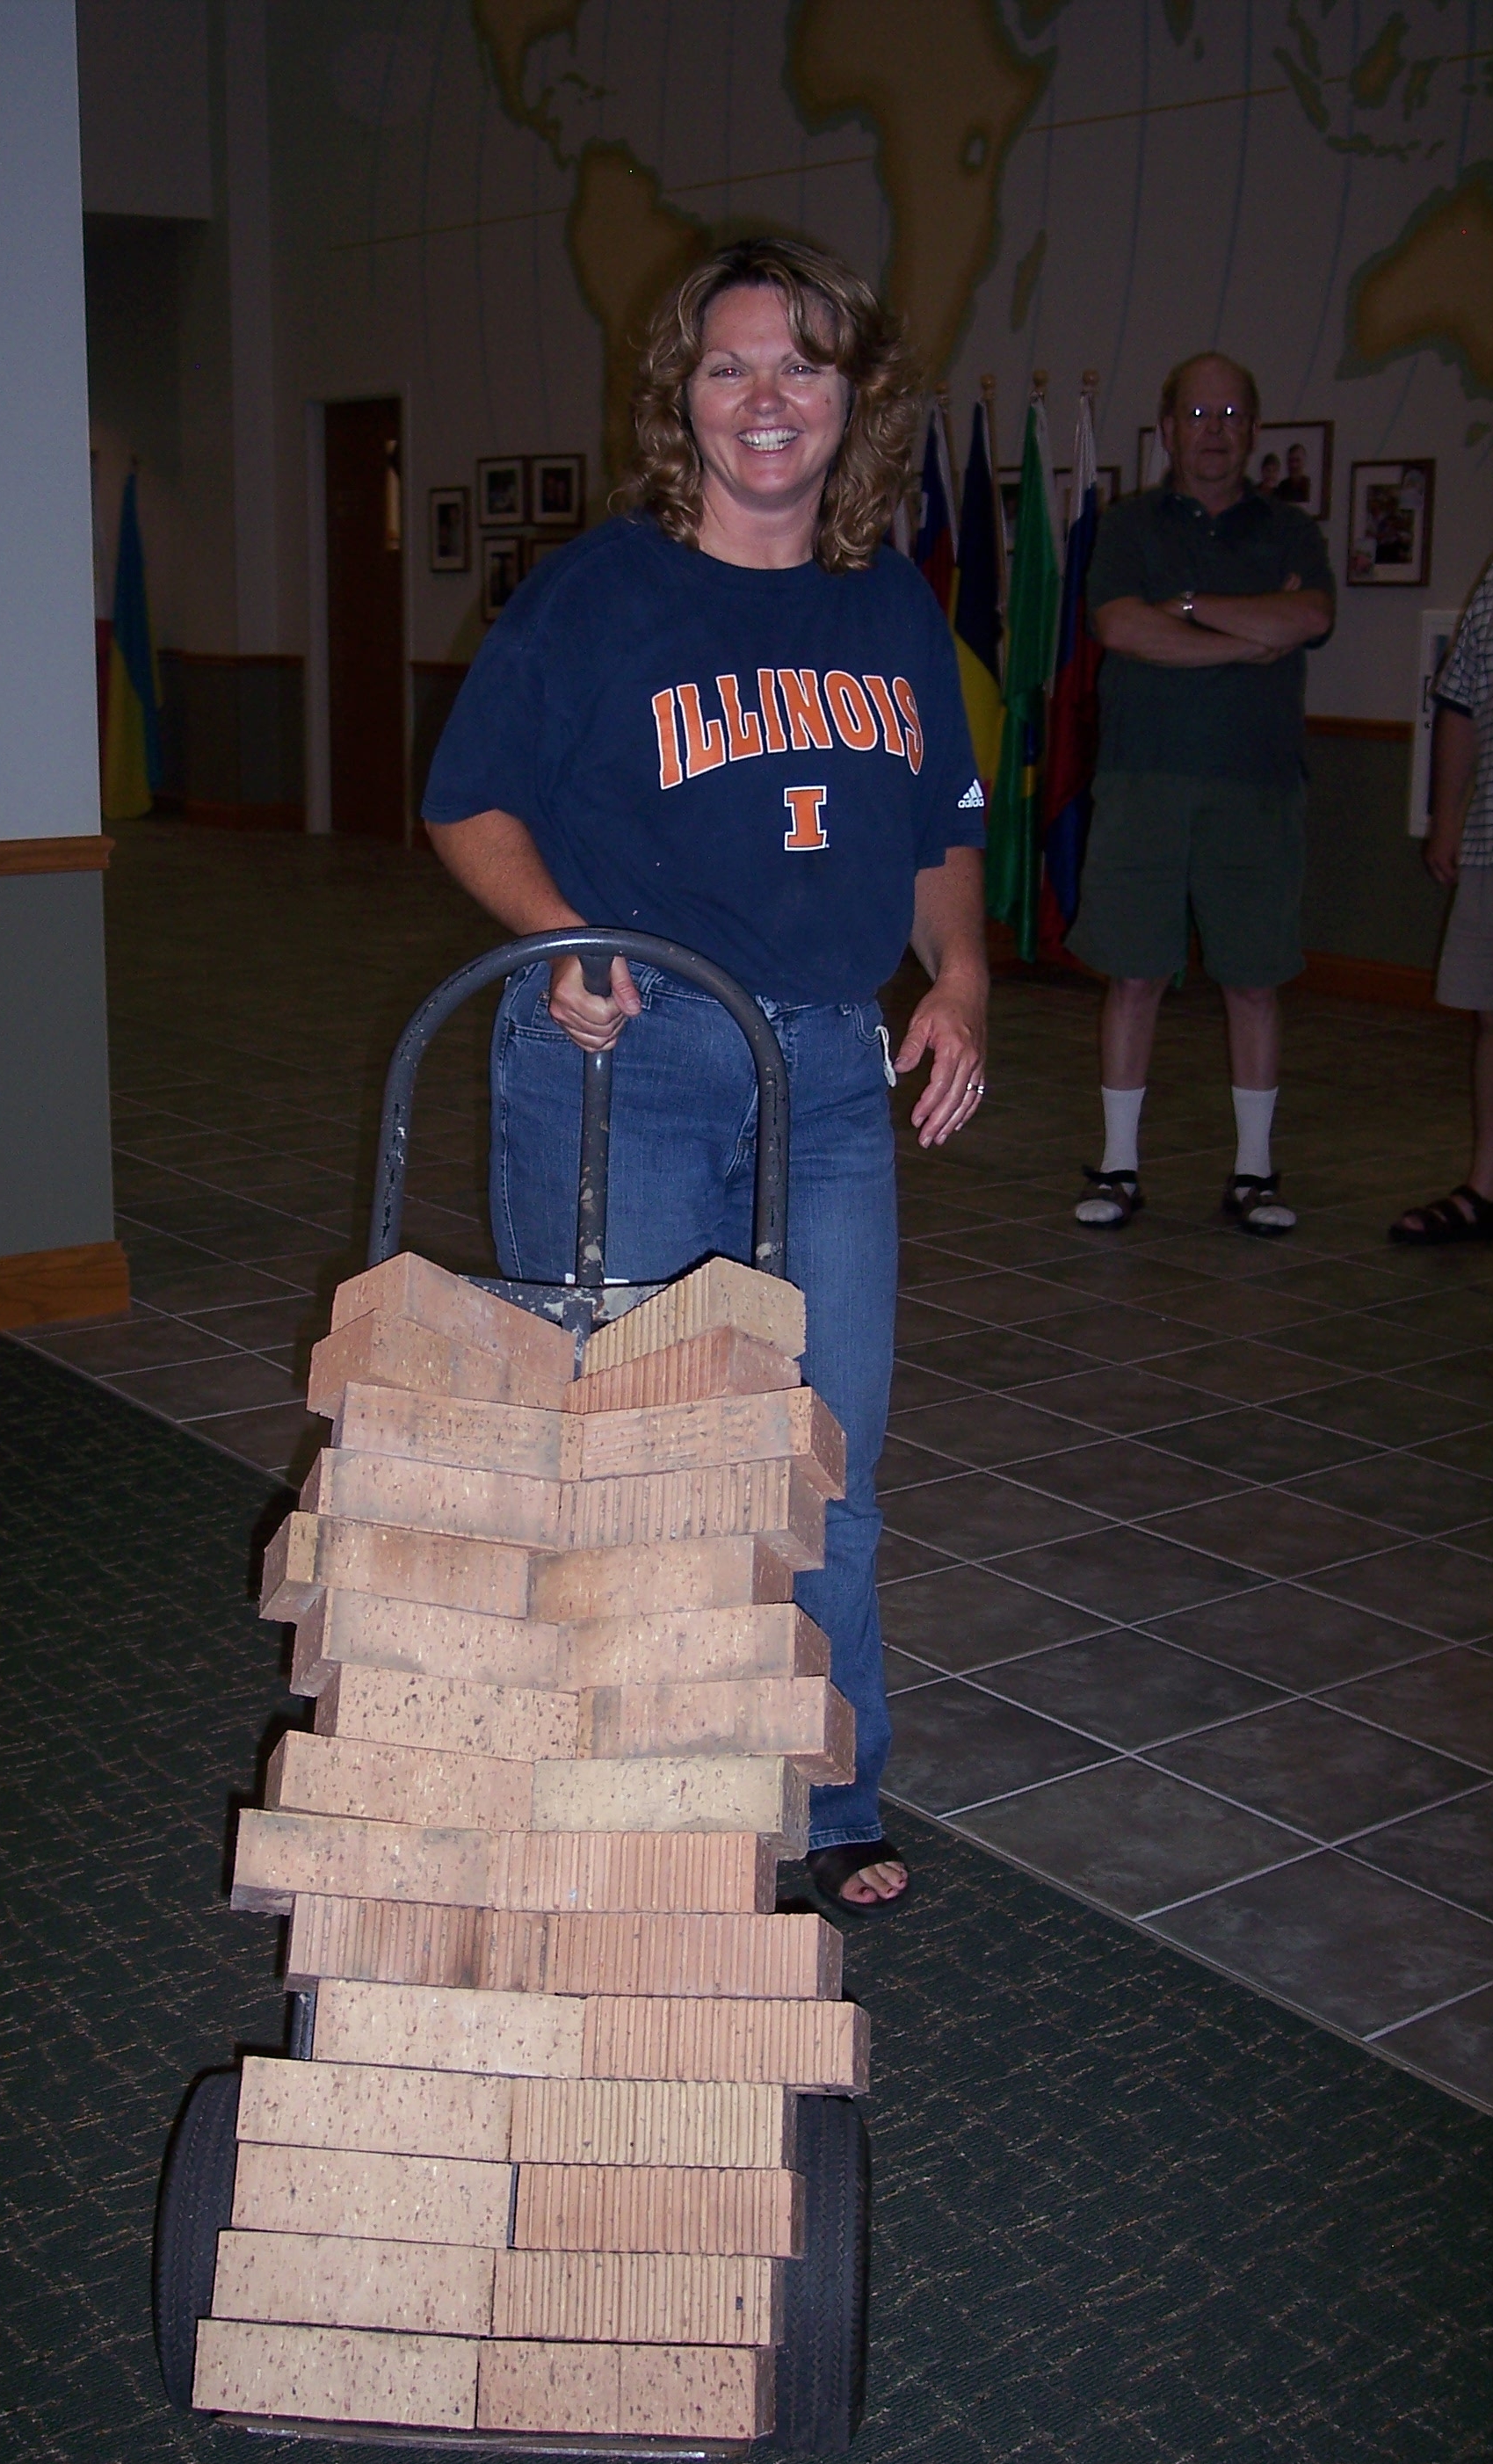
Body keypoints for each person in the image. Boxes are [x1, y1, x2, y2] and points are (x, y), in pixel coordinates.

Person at [422, 237, 989, 1914]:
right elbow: (466, 801)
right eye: (730, 365)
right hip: (630, 1054)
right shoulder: (597, 593)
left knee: (827, 1454)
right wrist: (558, 935)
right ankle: (637, 1805)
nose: (766, 399)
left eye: (800, 364)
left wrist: (959, 974)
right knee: (632, 1451)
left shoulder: (887, 601)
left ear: (851, 396)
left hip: (826, 1070)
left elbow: (941, 828)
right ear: (680, 396)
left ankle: (824, 1791)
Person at [1065, 352, 1335, 1233]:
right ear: (1168, 430)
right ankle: (1118, 1168)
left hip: (1258, 789)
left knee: (1254, 982)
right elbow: (1120, 625)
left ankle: (1255, 1174)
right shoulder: (1128, 525)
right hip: (1142, 782)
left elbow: (1310, 616)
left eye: (1228, 415)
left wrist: (1182, 609)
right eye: (1196, 415)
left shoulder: (1291, 531)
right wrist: (1244, 635)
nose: (1213, 431)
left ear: (1252, 430)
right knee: (1134, 975)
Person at [1390, 564, 1493, 1243]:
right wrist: (1447, 818)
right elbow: (1459, 700)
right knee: (1492, 1016)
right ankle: (1486, 1188)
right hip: (1491, 835)